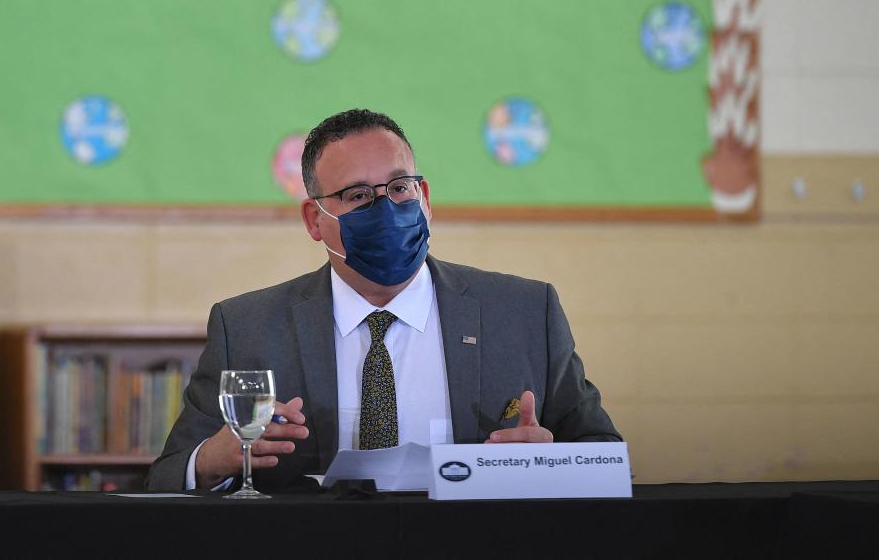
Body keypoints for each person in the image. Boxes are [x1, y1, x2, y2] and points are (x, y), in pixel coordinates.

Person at [146, 109, 620, 492]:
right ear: (314, 220)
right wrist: (210, 461)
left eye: (398, 188)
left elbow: (606, 457)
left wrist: (551, 461)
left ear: (425, 197)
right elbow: (166, 477)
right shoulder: (247, 326)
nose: (386, 209)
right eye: (357, 196)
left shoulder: (523, 312)